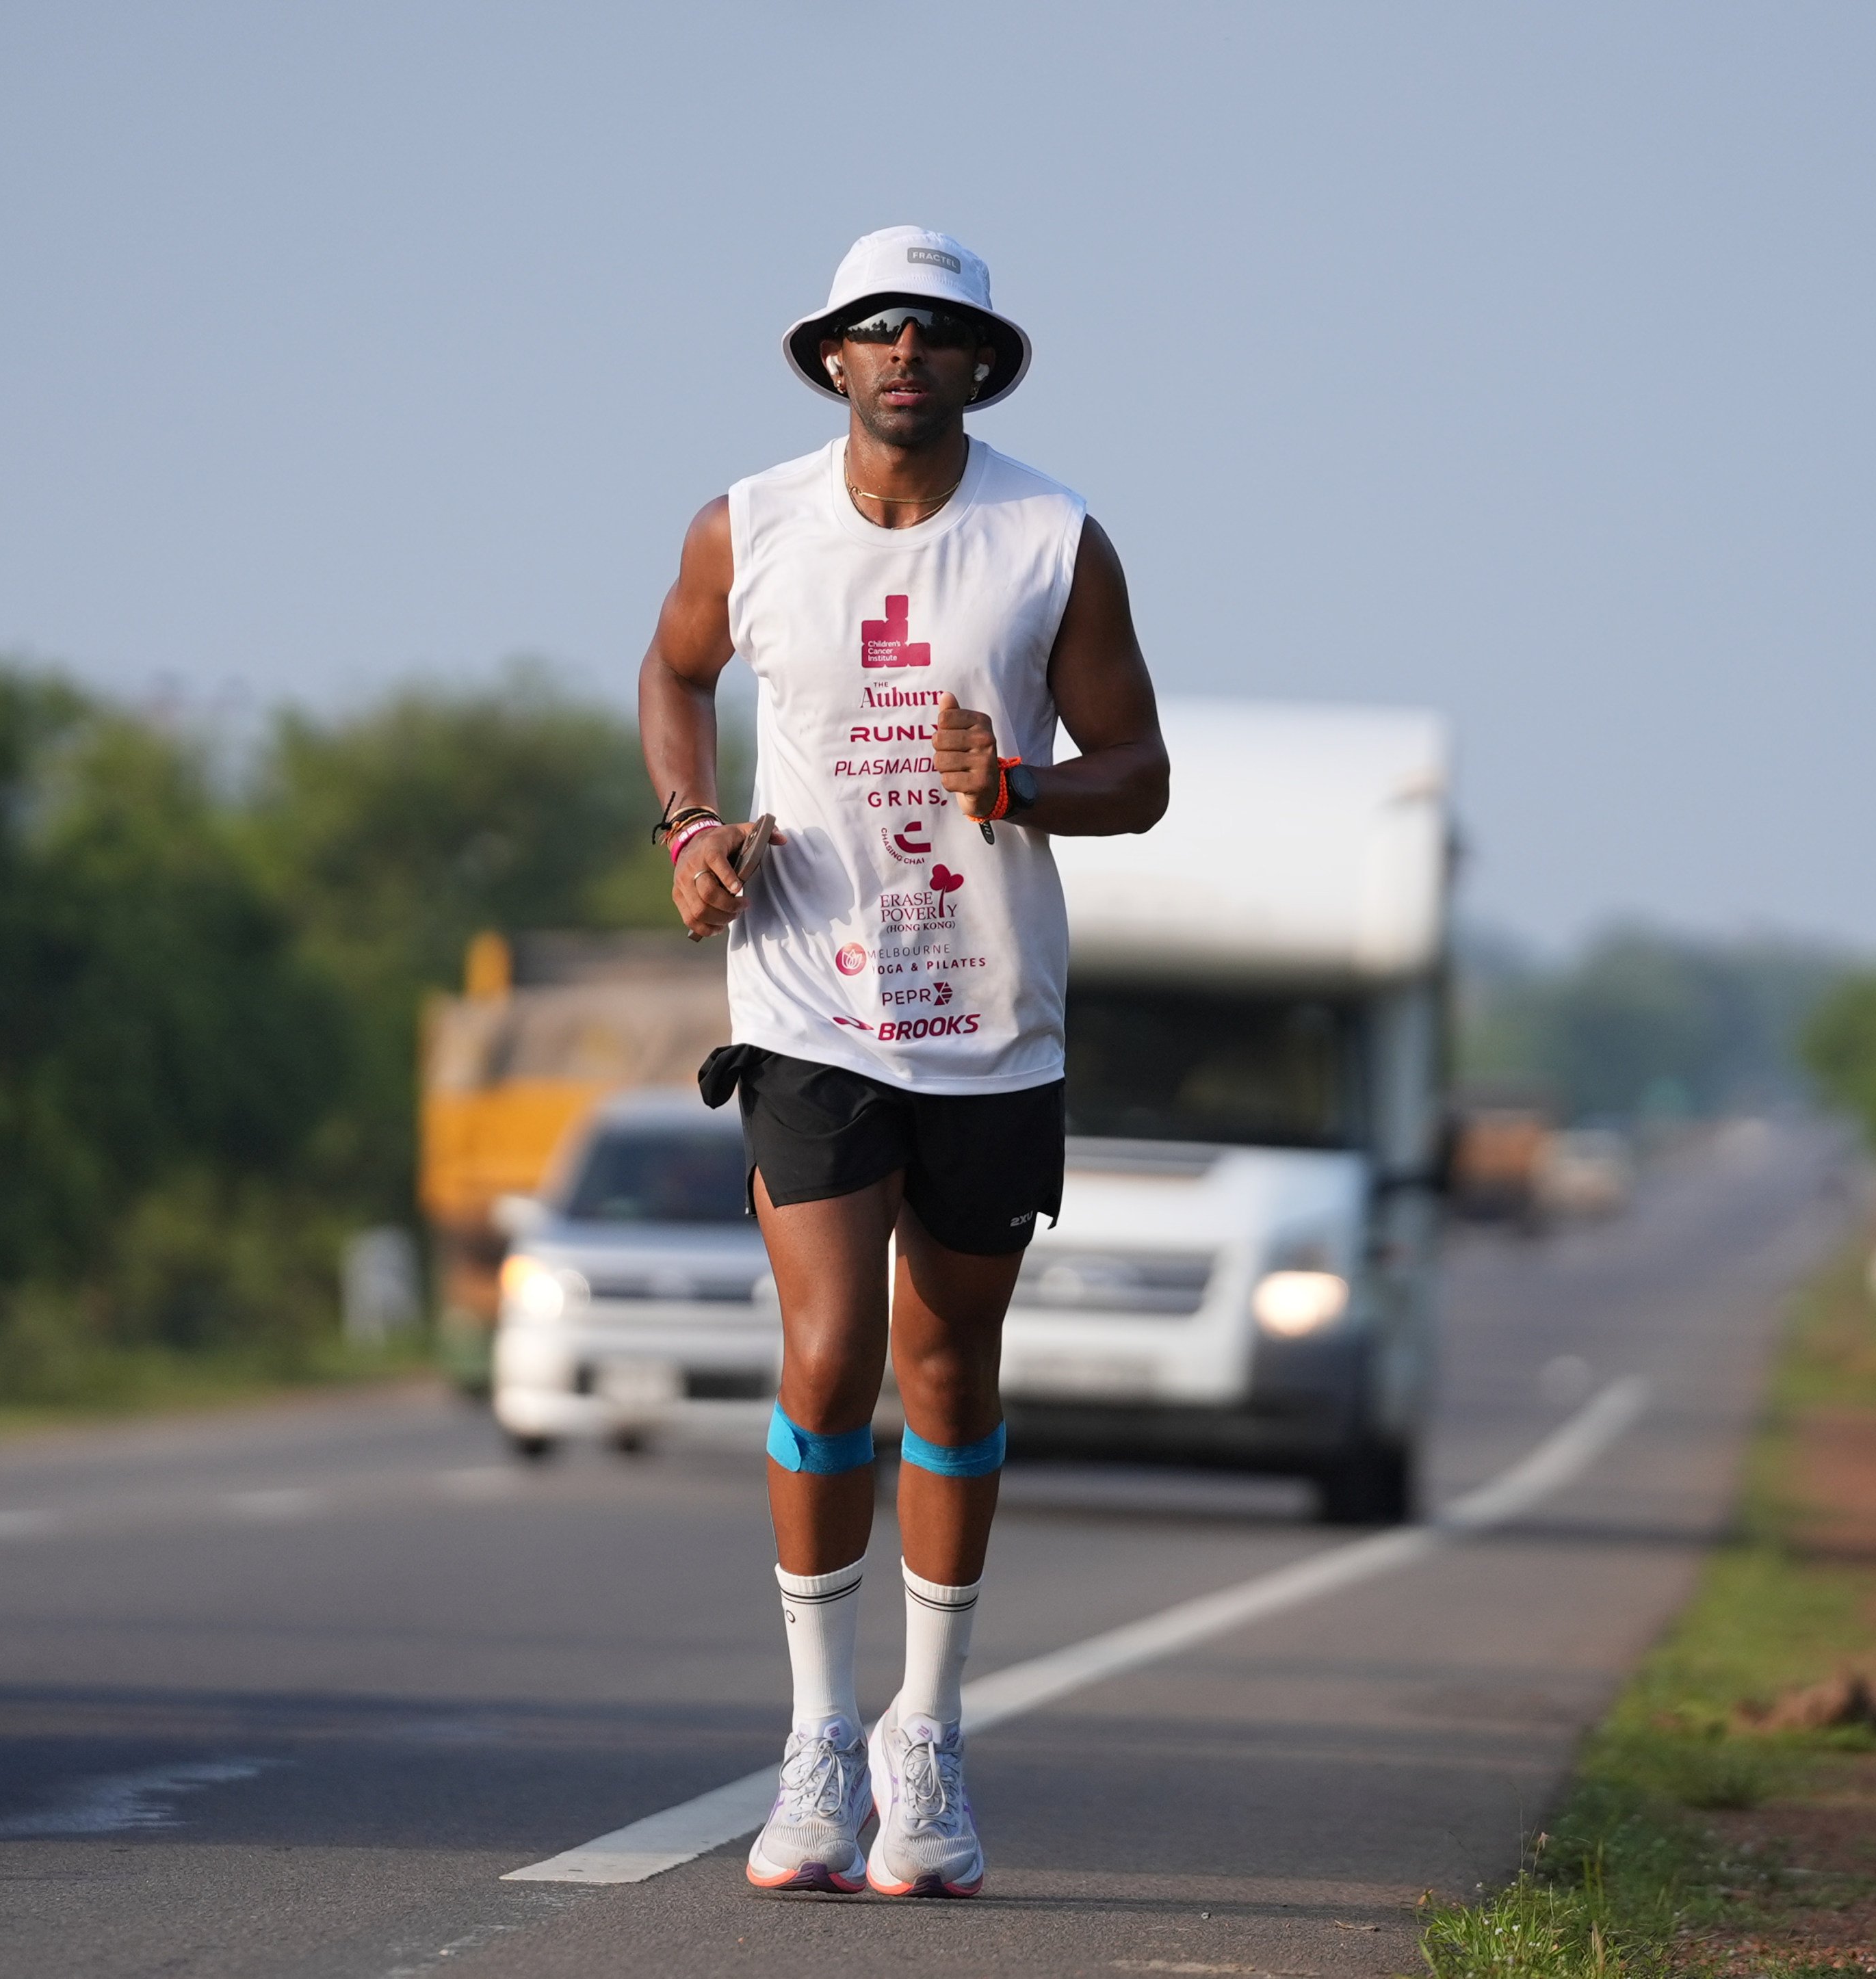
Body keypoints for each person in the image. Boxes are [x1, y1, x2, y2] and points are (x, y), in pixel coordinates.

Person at [636, 226, 1169, 1898]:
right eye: (876, 331)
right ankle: (811, 1746)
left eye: (937, 332)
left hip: (985, 1014)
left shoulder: (1048, 538)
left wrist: (1013, 784)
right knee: (826, 1357)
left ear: (976, 364)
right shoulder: (750, 521)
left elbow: (1139, 772)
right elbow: (673, 668)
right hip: (806, 999)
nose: (905, 353)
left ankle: (923, 1744)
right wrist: (691, 819)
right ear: (832, 360)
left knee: (946, 1373)